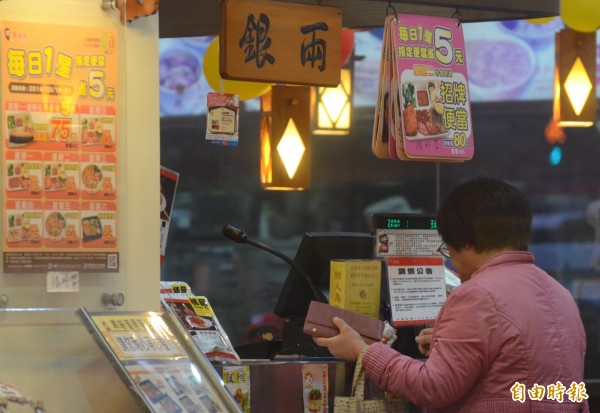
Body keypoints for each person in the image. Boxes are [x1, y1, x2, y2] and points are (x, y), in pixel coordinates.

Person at [314, 177, 589, 412]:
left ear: (466, 241)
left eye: (449, 249)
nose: (452, 262)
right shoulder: (560, 293)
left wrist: (363, 351)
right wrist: (451, 346)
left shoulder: (477, 294)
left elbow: (433, 387)